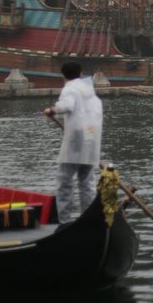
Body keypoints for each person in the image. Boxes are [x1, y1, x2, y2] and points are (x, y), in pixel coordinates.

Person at [42, 61, 103, 224]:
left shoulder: (70, 88)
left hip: (76, 141)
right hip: (92, 141)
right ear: (81, 73)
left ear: (63, 76)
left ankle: (65, 221)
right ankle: (88, 219)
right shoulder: (90, 92)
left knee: (65, 182)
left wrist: (52, 110)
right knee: (87, 183)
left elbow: (67, 105)